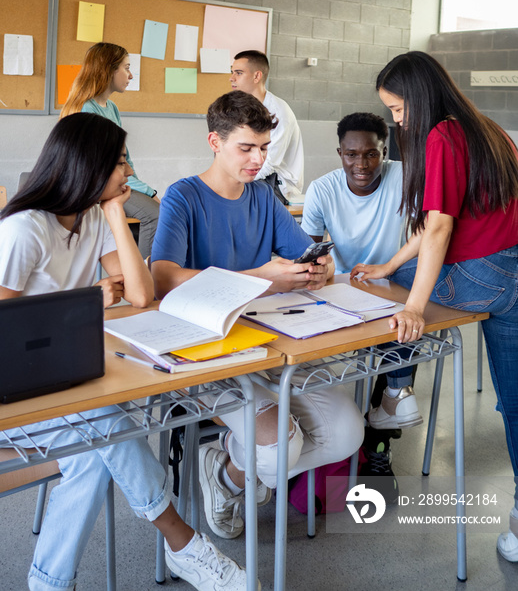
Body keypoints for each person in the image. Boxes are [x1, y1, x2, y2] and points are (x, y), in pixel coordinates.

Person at [0, 113, 251, 591]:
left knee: (93, 456)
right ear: (88, 166)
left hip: (67, 372)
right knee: (108, 426)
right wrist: (86, 303)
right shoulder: (24, 229)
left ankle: (49, 583)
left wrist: (115, 214)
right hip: (16, 384)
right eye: (119, 162)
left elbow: (140, 295)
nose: (127, 171)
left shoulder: (91, 217)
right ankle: (185, 546)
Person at [151, 90, 364, 541]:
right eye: (246, 148)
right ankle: (235, 471)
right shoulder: (183, 196)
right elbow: (164, 278)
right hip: (203, 353)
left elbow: (298, 254)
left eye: (265, 148)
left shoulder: (263, 198)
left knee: (347, 432)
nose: (258, 159)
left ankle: (235, 466)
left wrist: (317, 267)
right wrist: (261, 277)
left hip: (266, 343)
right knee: (278, 450)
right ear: (215, 141)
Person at [350, 51, 518, 562]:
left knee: (399, 291)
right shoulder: (488, 128)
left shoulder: (442, 135)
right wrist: (389, 264)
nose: (397, 120)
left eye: (398, 110)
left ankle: (397, 394)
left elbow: (439, 227)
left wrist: (415, 307)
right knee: (514, 402)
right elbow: (432, 225)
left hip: (481, 276)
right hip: (514, 272)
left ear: (418, 99)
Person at [301, 111, 411, 501]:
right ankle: (383, 408)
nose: (361, 165)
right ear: (339, 152)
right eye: (351, 155)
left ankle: (380, 437)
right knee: (392, 339)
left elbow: (432, 233)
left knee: (402, 318)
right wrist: (319, 269)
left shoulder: (405, 176)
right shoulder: (322, 189)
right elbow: (305, 253)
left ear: (385, 152)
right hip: (346, 291)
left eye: (371, 154)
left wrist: (392, 268)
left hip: (398, 284)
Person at [61, 42, 159, 259]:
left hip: (114, 181)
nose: (130, 75)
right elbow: (104, 165)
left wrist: (143, 188)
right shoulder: (87, 108)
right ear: (109, 69)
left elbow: (125, 158)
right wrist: (148, 192)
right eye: (126, 67)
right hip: (94, 187)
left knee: (158, 207)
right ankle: (147, 278)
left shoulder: (111, 108)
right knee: (156, 215)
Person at [230, 50, 304, 203]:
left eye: (238, 73)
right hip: (253, 174)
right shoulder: (243, 108)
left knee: (232, 195)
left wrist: (235, 182)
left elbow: (269, 163)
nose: (232, 78)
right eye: (232, 72)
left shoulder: (278, 112)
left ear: (257, 76)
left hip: (277, 184)